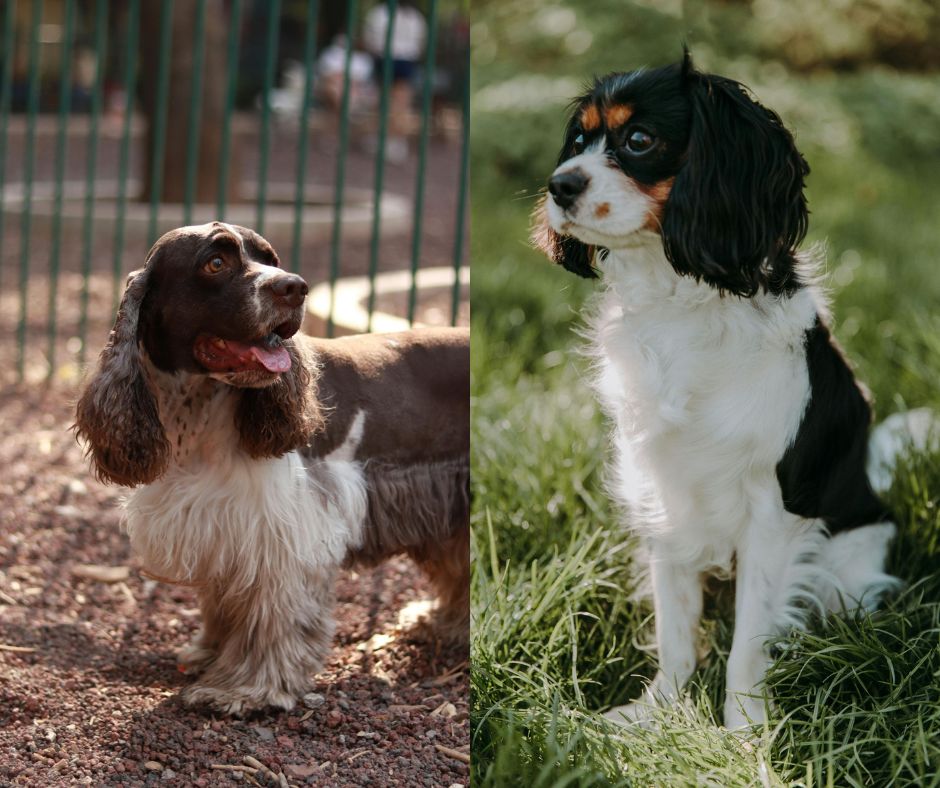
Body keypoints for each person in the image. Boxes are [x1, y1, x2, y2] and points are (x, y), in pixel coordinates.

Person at [363, 0, 428, 162]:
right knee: (399, 101)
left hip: (387, 58)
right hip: (404, 59)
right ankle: (393, 139)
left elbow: (370, 39)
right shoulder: (415, 17)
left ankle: (388, 138)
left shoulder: (379, 13)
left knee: (387, 100)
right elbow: (421, 44)